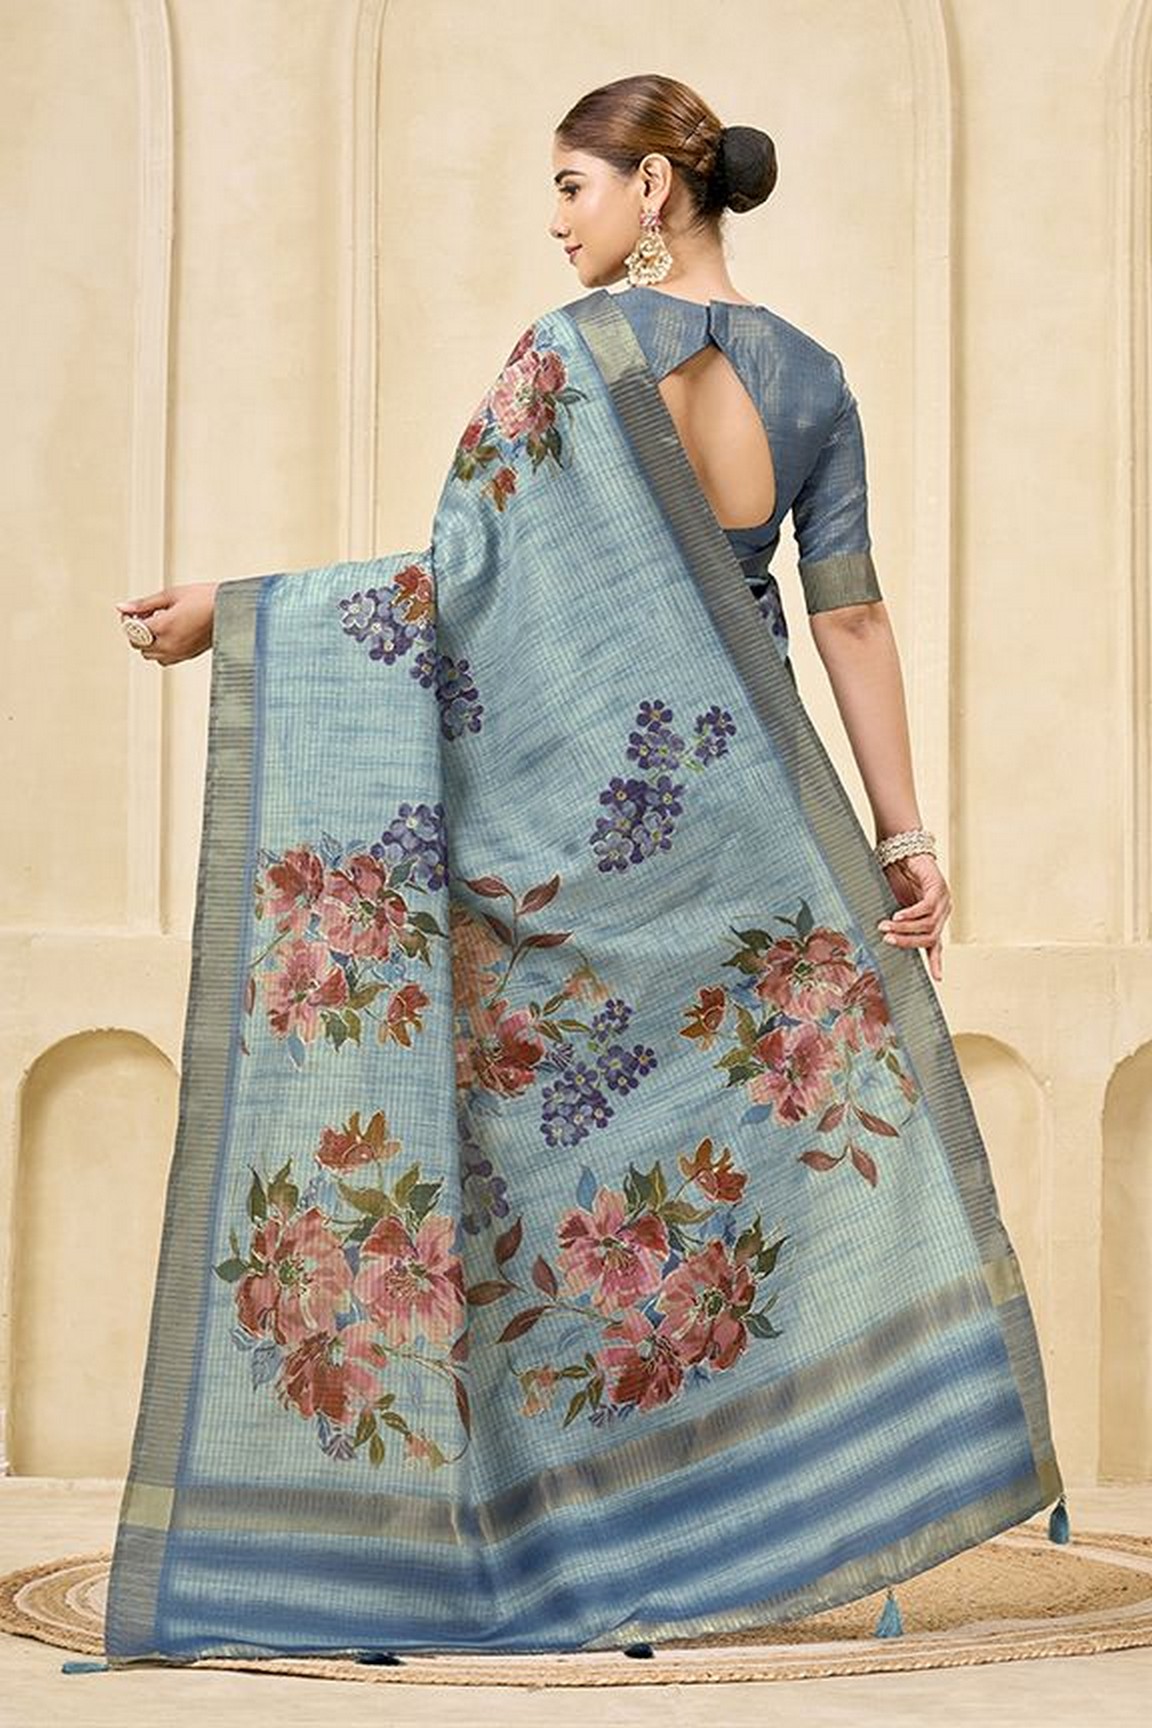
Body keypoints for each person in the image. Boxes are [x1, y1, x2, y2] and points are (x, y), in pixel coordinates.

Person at [106, 75, 1063, 1668]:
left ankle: (576, 1526)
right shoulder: (815, 379)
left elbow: (463, 584)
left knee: (547, 1158)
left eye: (572, 185)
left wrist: (245, 610)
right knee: (742, 1157)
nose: (557, 222)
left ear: (654, 189)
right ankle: (774, 1514)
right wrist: (904, 842)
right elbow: (849, 619)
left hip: (587, 829)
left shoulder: (571, 356)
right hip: (753, 824)